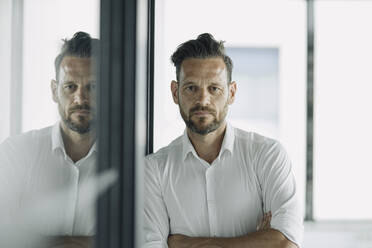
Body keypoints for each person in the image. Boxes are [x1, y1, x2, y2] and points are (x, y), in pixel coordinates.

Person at [144, 33, 303, 248]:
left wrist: (183, 243)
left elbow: (285, 244)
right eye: (191, 88)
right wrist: (256, 241)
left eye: (214, 88)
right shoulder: (153, 169)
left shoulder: (267, 155)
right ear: (175, 92)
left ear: (231, 92)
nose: (203, 100)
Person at [0, 31, 99, 247]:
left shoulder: (131, 163)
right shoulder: (15, 154)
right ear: (55, 91)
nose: (80, 98)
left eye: (93, 87)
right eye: (70, 86)